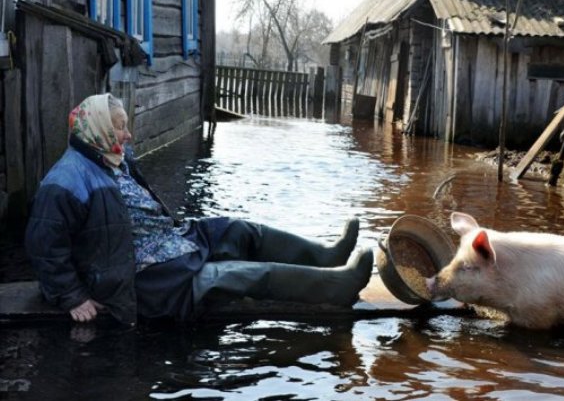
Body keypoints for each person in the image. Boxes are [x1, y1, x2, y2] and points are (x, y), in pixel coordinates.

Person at [25, 93, 373, 325]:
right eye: (120, 126)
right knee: (233, 274)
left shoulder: (110, 156)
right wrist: (72, 296)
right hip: (139, 277)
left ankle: (326, 256)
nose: (128, 134)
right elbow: (43, 245)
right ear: (98, 127)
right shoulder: (66, 180)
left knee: (238, 230)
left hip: (168, 241)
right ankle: (338, 287)